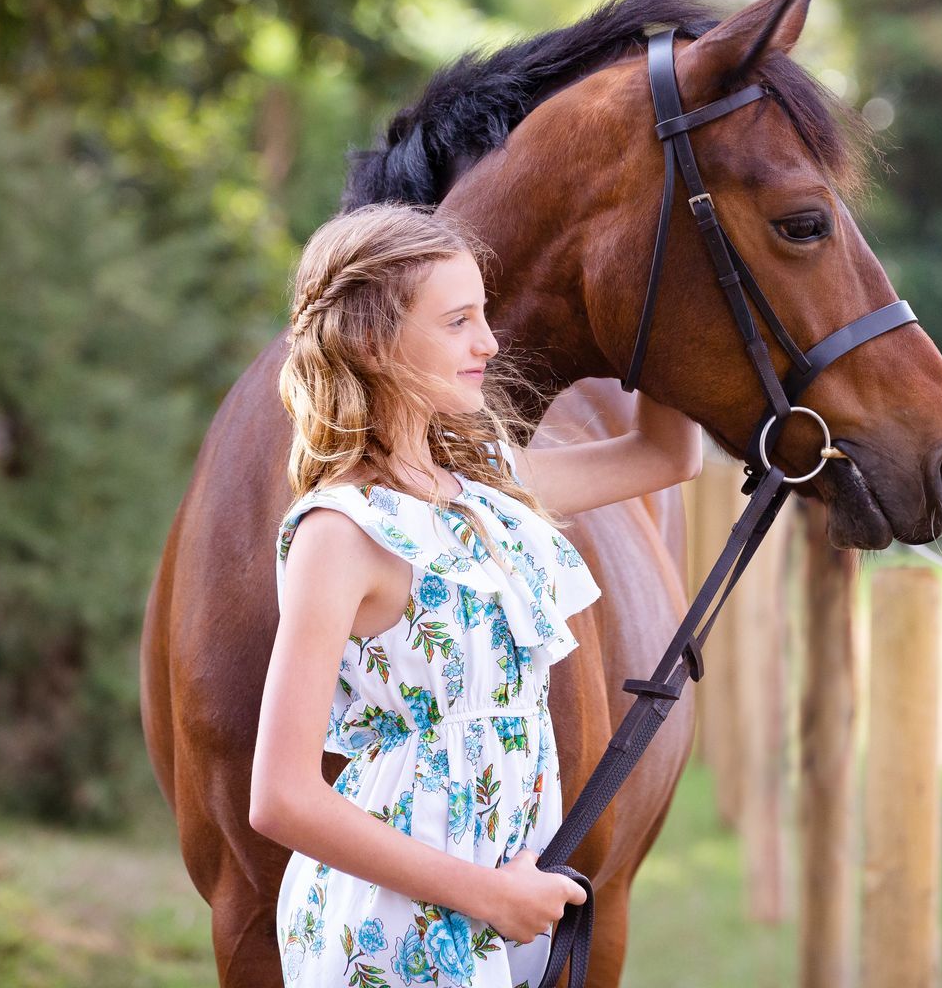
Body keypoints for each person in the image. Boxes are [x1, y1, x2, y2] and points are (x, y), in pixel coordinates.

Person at [249, 202, 702, 987]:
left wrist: (655, 300)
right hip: (391, 936)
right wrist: (489, 896)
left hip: (499, 915)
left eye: (482, 316)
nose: (488, 343)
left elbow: (669, 453)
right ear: (372, 342)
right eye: (458, 321)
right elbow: (280, 797)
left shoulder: (484, 486)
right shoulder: (342, 532)